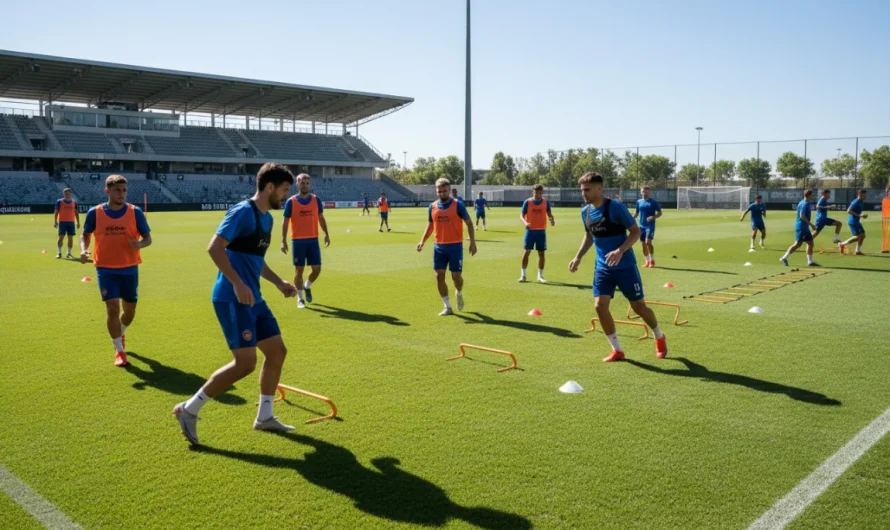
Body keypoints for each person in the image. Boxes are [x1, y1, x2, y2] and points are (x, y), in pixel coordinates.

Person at [174, 163, 298, 446]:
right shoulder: (242, 211)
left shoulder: (267, 219)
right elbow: (214, 247)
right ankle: (188, 409)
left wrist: (278, 282)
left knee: (277, 351)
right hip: (232, 297)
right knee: (245, 363)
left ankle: (264, 417)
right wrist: (237, 283)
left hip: (253, 297)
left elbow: (257, 260)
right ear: (269, 187)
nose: (285, 196)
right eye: (283, 190)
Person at [568, 173, 667, 362]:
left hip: (625, 267)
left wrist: (620, 250)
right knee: (600, 306)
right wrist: (578, 257)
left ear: (599, 188)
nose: (583, 194)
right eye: (582, 190)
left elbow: (635, 232)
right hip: (603, 268)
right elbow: (589, 237)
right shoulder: (585, 212)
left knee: (639, 307)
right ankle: (617, 350)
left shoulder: (615, 207)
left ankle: (659, 335)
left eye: (587, 190)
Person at [79, 175, 152, 367]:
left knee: (129, 311)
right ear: (107, 191)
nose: (121, 194)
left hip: (129, 268)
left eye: (124, 190)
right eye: (117, 190)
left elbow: (148, 238)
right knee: (112, 308)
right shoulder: (94, 213)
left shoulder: (135, 212)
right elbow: (85, 235)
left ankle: (120, 332)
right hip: (105, 268)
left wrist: (140, 244)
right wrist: (83, 249)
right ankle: (119, 350)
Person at [417, 178, 477, 316]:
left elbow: (469, 223)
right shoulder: (432, 207)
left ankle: (459, 292)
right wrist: (422, 240)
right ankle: (447, 307)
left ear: (449, 190)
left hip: (455, 246)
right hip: (439, 248)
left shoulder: (458, 205)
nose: (442, 194)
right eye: (439, 191)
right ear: (436, 191)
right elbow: (431, 225)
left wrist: (472, 242)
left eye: (445, 191)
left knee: (456, 277)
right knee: (439, 276)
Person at [281, 174, 330, 309]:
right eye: (302, 183)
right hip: (298, 241)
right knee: (299, 271)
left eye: (307, 183)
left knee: (317, 269)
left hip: (313, 240)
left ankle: (307, 286)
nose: (305, 185)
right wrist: (283, 241)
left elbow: (321, 218)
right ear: (297, 184)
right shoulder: (291, 202)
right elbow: (285, 222)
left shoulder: (316, 200)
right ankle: (300, 298)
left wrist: (326, 234)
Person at [519, 184, 555, 283]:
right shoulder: (528, 202)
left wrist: (552, 219)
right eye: (536, 193)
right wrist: (525, 222)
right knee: (526, 252)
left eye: (540, 193)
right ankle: (523, 275)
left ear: (542, 192)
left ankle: (540, 276)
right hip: (530, 231)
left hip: (541, 231)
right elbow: (521, 215)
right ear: (533, 192)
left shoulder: (545, 202)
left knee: (541, 253)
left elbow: (549, 214)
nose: (538, 195)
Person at [779, 189, 820, 267]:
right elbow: (802, 215)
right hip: (802, 227)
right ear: (808, 195)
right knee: (798, 244)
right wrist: (811, 224)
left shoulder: (802, 202)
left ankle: (810, 261)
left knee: (810, 243)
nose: (813, 196)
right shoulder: (805, 204)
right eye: (812, 195)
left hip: (804, 227)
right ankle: (784, 258)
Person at [633, 186, 662, 267]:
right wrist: (631, 219)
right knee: (643, 244)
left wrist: (653, 217)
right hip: (641, 225)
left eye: (646, 191)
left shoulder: (653, 202)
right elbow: (636, 213)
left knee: (648, 242)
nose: (644, 193)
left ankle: (652, 260)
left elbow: (660, 213)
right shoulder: (639, 202)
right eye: (643, 191)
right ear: (641, 192)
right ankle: (647, 261)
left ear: (649, 192)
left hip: (650, 226)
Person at [839, 188, 869, 255]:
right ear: (859, 194)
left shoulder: (861, 202)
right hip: (853, 221)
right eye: (864, 195)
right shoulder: (856, 201)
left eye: (865, 195)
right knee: (858, 237)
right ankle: (842, 244)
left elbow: (856, 212)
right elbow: (848, 210)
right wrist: (859, 215)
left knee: (863, 235)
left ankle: (857, 251)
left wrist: (862, 215)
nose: (865, 196)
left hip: (857, 221)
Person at [53, 188, 80, 259]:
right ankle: (59, 253)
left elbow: (76, 213)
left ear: (71, 193)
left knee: (70, 238)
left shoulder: (74, 202)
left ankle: (69, 253)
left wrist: (78, 222)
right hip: (62, 222)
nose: (66, 194)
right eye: (65, 193)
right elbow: (56, 212)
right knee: (61, 237)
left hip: (71, 222)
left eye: (67, 193)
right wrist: (55, 221)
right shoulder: (59, 202)